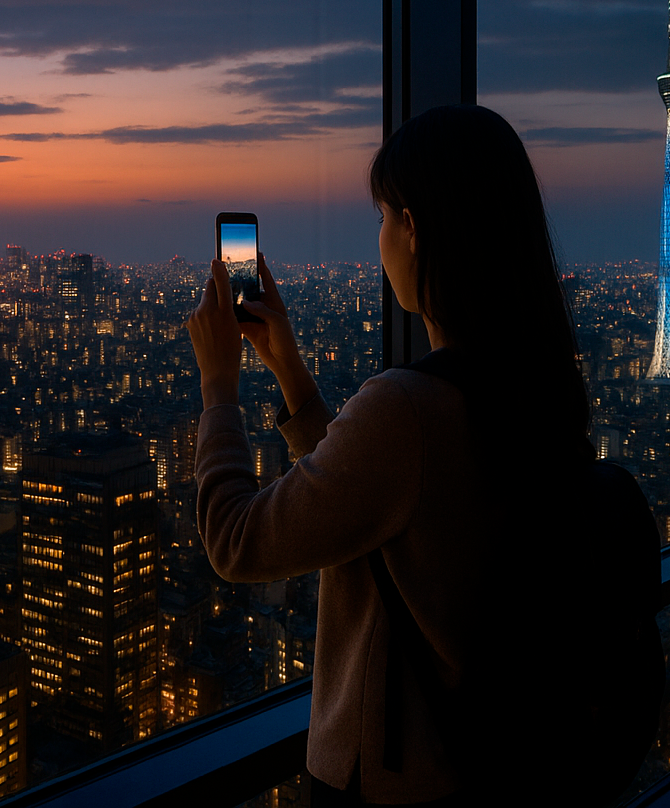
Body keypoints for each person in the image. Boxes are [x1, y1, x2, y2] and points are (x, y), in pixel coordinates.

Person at [186, 104, 593, 806]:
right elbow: (378, 507)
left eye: (381, 217)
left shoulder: (409, 410)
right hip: (484, 765)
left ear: (415, 227)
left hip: (389, 784)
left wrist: (219, 386)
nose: (379, 239)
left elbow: (235, 540)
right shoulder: (531, 388)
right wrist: (289, 370)